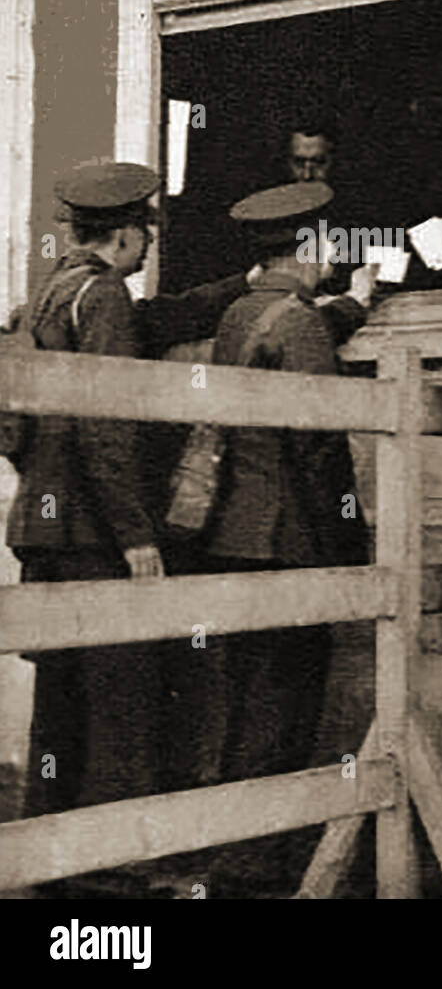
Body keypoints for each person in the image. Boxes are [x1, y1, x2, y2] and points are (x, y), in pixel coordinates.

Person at [6, 161, 256, 894]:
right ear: (123, 232)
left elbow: (158, 321)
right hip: (91, 532)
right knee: (122, 693)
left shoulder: (49, 294)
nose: (149, 244)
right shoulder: (105, 296)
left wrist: (242, 287)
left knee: (61, 696)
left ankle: (48, 850)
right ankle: (110, 863)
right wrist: (135, 534)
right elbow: (105, 428)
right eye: (146, 231)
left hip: (44, 530)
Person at [195, 181, 373, 897]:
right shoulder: (295, 320)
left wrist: (352, 305)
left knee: (245, 700)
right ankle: (255, 864)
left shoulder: (243, 312)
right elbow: (319, 448)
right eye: (329, 242)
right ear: (309, 246)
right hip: (287, 539)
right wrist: (350, 544)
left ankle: (237, 848)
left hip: (232, 535)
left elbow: (293, 338)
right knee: (284, 704)